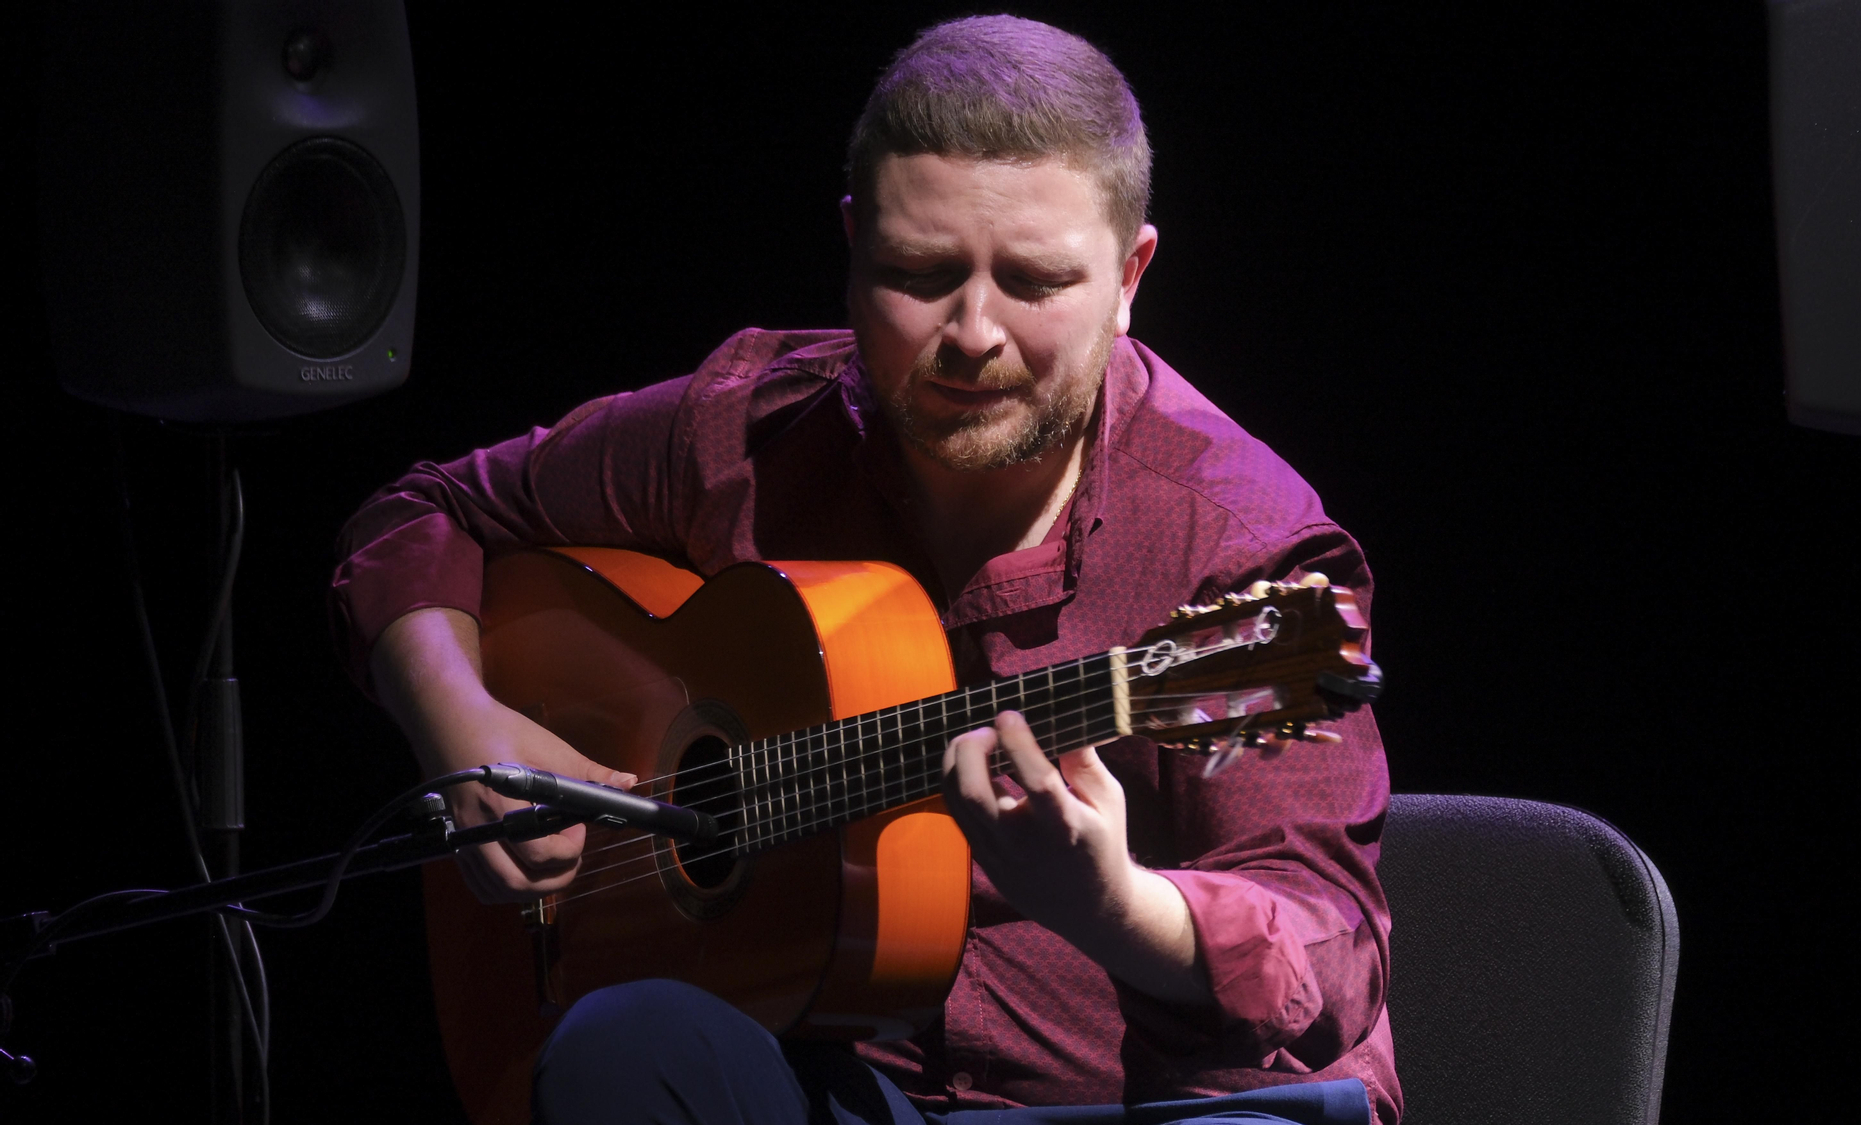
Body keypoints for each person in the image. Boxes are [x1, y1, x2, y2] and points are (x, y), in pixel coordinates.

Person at [331, 15, 1397, 1125]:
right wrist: (459, 724)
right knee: (624, 1045)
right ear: (852, 249)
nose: (973, 335)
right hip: (839, 1083)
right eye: (917, 274)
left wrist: (1116, 906)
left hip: (1140, 1108)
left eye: (1034, 282)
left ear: (1129, 277)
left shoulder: (1237, 541)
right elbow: (417, 515)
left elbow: (1331, 952)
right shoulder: (746, 432)